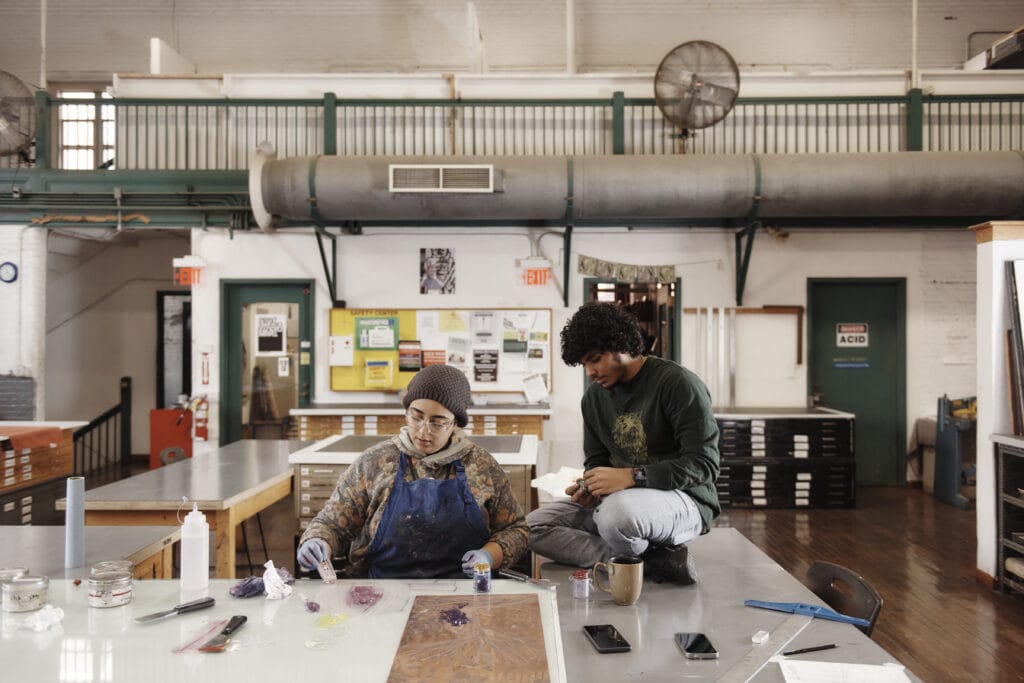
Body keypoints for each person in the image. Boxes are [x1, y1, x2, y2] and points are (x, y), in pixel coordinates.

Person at [526, 302, 720, 585]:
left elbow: (704, 465)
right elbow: (597, 461)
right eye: (584, 364)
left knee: (616, 516)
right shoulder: (593, 399)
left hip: (685, 499)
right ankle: (651, 562)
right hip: (620, 503)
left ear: (622, 344)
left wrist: (632, 476)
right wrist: (592, 488)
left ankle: (630, 555)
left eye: (595, 359)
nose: (590, 372)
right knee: (528, 528)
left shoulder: (677, 384)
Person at [296, 364, 528, 579]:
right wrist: (317, 542)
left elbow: (517, 530)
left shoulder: (481, 465)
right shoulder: (374, 463)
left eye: (437, 422)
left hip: (463, 588)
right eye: (416, 417)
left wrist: (489, 555)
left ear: (455, 423)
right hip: (383, 591)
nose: (423, 431)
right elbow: (332, 524)